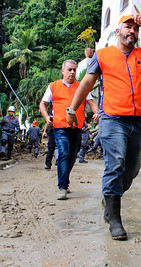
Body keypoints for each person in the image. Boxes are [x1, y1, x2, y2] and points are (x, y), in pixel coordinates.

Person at [66, 6, 141, 240]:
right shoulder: (103, 56)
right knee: (115, 164)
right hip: (112, 120)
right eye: (127, 27)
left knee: (131, 171)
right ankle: (115, 219)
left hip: (136, 123)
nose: (131, 31)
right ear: (118, 31)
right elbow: (87, 84)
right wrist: (73, 108)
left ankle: (109, 198)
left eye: (135, 28)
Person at [39, 59, 99, 200]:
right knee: (64, 153)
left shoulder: (81, 86)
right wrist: (47, 117)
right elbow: (43, 104)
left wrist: (96, 112)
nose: (72, 72)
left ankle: (65, 178)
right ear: (63, 71)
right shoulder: (53, 86)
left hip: (77, 127)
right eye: (69, 69)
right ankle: (63, 187)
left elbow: (91, 103)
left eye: (74, 69)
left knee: (73, 156)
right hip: (60, 127)